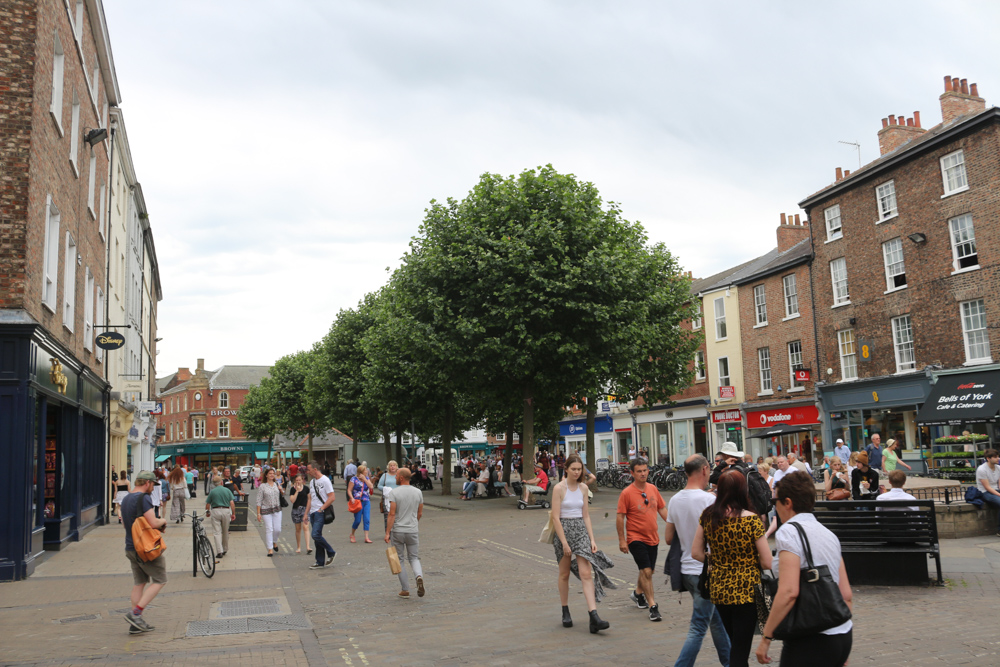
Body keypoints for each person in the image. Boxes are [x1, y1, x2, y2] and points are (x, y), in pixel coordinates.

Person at [755, 471, 853, 667]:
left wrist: (766, 637)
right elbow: (846, 594)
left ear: (788, 502)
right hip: (841, 633)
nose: (775, 507)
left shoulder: (789, 532)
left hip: (811, 635)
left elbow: (789, 592)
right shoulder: (829, 534)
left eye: (775, 502)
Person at [692, 470, 772, 667]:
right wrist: (748, 562)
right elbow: (767, 562)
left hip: (719, 589)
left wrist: (717, 560)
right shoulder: (751, 520)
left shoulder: (709, 516)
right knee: (741, 648)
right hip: (746, 590)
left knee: (734, 641)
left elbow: (696, 553)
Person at [664, 455, 730, 667]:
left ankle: (730, 662)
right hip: (706, 571)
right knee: (699, 626)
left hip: (686, 569)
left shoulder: (674, 500)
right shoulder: (709, 500)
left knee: (715, 621)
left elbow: (667, 538)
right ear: (704, 470)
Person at [550, 453, 613, 632]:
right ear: (567, 469)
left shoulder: (584, 488)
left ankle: (594, 616)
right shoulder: (559, 489)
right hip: (564, 531)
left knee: (586, 573)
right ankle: (565, 610)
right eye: (574, 469)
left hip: (581, 531)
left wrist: (592, 539)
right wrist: (564, 542)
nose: (577, 472)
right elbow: (555, 517)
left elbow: (586, 515)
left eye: (579, 469)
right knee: (564, 574)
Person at [616, 458, 668, 623]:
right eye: (639, 471)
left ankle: (638, 594)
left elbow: (662, 508)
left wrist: (674, 525)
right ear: (632, 473)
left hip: (653, 537)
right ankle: (653, 606)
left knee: (649, 571)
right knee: (646, 571)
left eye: (645, 470)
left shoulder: (653, 488)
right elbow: (620, 517)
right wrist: (622, 540)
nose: (643, 473)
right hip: (635, 538)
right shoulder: (626, 493)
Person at [120, 470, 168, 634]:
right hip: (146, 549)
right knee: (160, 580)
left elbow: (126, 526)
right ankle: (136, 613)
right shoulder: (143, 498)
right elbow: (153, 522)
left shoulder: (126, 499)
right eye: (153, 484)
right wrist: (163, 520)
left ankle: (136, 624)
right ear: (147, 483)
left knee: (139, 583)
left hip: (130, 547)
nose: (153, 488)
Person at [385, 467, 426, 599]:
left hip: (398, 530)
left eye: (396, 475)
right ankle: (418, 576)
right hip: (412, 529)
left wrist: (387, 532)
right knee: (414, 557)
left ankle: (405, 589)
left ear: (401, 477)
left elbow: (392, 514)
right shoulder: (418, 492)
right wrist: (414, 523)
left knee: (400, 559)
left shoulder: (394, 493)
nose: (395, 477)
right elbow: (419, 513)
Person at [307, 461, 337, 569]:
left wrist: (321, 509)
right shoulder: (312, 482)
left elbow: (332, 497)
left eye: (309, 469)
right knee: (317, 536)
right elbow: (310, 498)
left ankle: (331, 552)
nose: (308, 472)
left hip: (320, 512)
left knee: (315, 535)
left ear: (315, 469)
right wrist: (306, 513)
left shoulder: (325, 480)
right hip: (312, 513)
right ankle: (319, 561)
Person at [255, 467, 284, 556]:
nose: (272, 475)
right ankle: (270, 548)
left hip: (277, 509)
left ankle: (274, 541)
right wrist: (258, 513)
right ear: (266, 475)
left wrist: (280, 489)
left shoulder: (276, 483)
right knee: (269, 529)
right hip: (266, 509)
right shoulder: (262, 486)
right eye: (270, 473)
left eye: (273, 473)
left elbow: (282, 493)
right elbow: (258, 500)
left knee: (277, 529)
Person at [205, 475, 235, 559]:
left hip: (215, 511)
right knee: (225, 531)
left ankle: (219, 551)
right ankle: (225, 549)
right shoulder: (227, 490)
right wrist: (233, 513)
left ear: (214, 484)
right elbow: (232, 503)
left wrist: (207, 511)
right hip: (226, 511)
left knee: (217, 532)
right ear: (221, 482)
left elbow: (208, 504)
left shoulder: (212, 492)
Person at [975, 449, 1000, 536]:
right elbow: (987, 487)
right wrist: (999, 495)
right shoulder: (981, 469)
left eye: (998, 456)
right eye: (995, 457)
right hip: (985, 492)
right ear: (988, 458)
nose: (998, 458)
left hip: (996, 490)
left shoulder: (998, 468)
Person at [348, 464, 375, 543]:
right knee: (357, 520)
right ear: (361, 472)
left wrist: (365, 479)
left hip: (366, 501)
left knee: (366, 519)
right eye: (365, 470)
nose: (367, 471)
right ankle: (352, 534)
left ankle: (366, 537)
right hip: (357, 502)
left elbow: (371, 487)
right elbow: (349, 490)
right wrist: (352, 498)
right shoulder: (354, 479)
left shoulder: (366, 478)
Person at [289, 473, 312, 554]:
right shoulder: (292, 489)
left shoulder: (306, 488)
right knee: (298, 529)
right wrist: (297, 491)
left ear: (302, 480)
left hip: (305, 509)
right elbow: (292, 500)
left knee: (306, 527)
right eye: (297, 480)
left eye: (300, 480)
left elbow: (309, 499)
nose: (298, 482)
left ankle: (308, 547)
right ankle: (298, 547)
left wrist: (308, 509)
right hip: (296, 510)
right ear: (295, 481)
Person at [378, 460, 400, 532]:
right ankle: (388, 532)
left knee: (398, 514)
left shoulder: (399, 475)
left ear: (397, 467)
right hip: (387, 498)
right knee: (387, 515)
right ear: (388, 467)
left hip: (398, 497)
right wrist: (386, 489)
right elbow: (379, 486)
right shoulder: (384, 475)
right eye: (391, 465)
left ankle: (397, 531)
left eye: (394, 465)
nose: (392, 467)